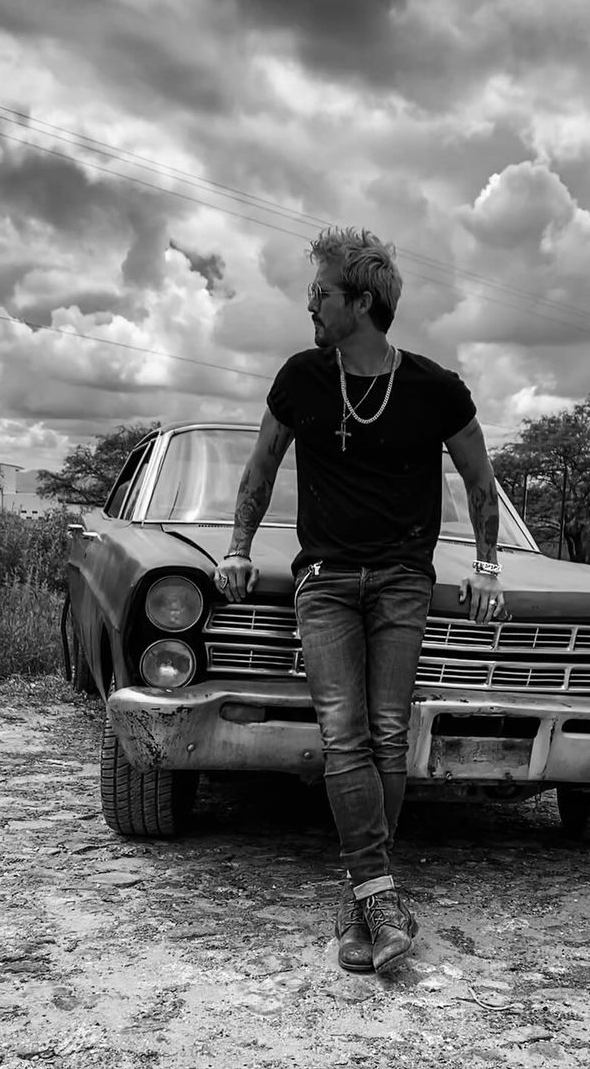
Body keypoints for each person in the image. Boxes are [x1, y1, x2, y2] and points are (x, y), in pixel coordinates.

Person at [215, 227, 503, 974]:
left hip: (404, 579)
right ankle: (379, 896)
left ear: (363, 302)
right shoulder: (302, 376)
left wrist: (487, 565)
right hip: (325, 580)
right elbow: (259, 471)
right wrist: (238, 548)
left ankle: (361, 898)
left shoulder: (436, 388)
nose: (310, 305)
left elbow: (480, 481)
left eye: (321, 293)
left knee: (386, 732)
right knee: (344, 733)